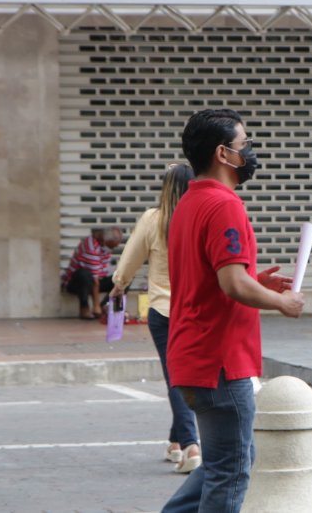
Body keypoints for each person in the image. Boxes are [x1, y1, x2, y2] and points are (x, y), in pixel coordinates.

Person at [162, 108, 305, 513]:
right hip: (220, 362)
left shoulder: (189, 203)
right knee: (232, 470)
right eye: (245, 144)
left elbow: (211, 279)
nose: (250, 152)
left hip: (194, 355)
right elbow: (230, 283)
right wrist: (282, 302)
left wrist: (254, 280)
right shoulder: (226, 206)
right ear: (224, 154)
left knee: (221, 464)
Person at [111, 163, 201, 474]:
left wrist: (119, 285)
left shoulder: (154, 219)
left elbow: (130, 258)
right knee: (183, 374)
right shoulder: (200, 217)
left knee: (176, 377)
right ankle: (176, 442)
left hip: (164, 310)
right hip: (196, 310)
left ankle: (191, 445)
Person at [62, 226, 122, 320]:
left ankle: (105, 306)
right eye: (111, 246)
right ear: (103, 239)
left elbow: (103, 272)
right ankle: (85, 308)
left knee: (124, 278)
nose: (112, 249)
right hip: (78, 283)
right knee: (85, 275)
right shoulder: (90, 247)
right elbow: (95, 280)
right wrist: (96, 306)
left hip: (96, 278)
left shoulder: (105, 246)